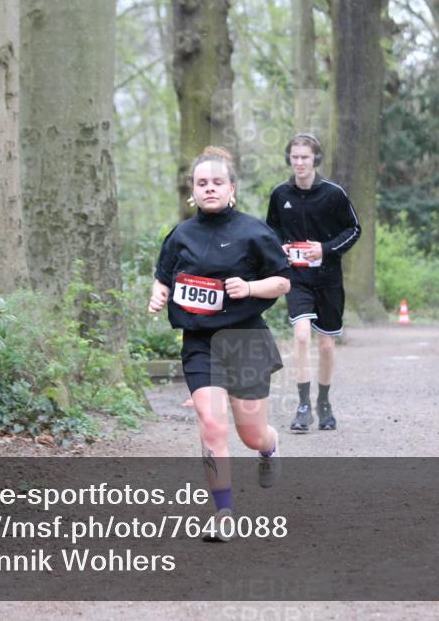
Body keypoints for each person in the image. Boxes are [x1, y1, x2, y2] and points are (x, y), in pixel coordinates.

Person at [148, 147, 291, 542]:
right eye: (201, 183)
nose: (209, 189)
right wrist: (158, 295)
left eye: (217, 183)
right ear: (193, 191)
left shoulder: (254, 231)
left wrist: (248, 287)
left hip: (245, 340)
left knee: (251, 435)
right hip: (199, 342)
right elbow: (163, 277)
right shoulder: (180, 235)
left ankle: (270, 446)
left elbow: (282, 281)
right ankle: (223, 512)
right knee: (211, 426)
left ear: (232, 189)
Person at [266, 133, 361, 432]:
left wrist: (326, 248)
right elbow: (270, 231)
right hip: (297, 277)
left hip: (328, 278)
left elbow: (354, 229)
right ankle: (303, 405)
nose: (299, 163)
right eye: (294, 157)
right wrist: (279, 246)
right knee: (302, 336)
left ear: (315, 160)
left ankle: (324, 402)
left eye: (305, 157)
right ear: (289, 159)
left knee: (326, 346)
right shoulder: (280, 195)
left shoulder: (334, 194)